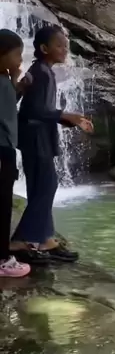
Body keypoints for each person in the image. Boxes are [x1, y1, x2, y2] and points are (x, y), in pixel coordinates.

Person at [11, 25, 94, 265]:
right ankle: (21, 240)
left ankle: (46, 239)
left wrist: (64, 119)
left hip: (35, 136)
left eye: (66, 45)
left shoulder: (42, 70)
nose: (65, 49)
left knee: (42, 187)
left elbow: (37, 109)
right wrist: (66, 116)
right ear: (44, 48)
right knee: (46, 186)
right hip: (36, 138)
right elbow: (35, 110)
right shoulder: (42, 72)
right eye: (59, 45)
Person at [0, 29, 32, 278]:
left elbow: (8, 106)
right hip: (2, 150)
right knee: (2, 204)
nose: (20, 59)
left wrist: (17, 86)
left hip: (6, 148)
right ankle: (3, 261)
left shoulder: (4, 79)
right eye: (17, 54)